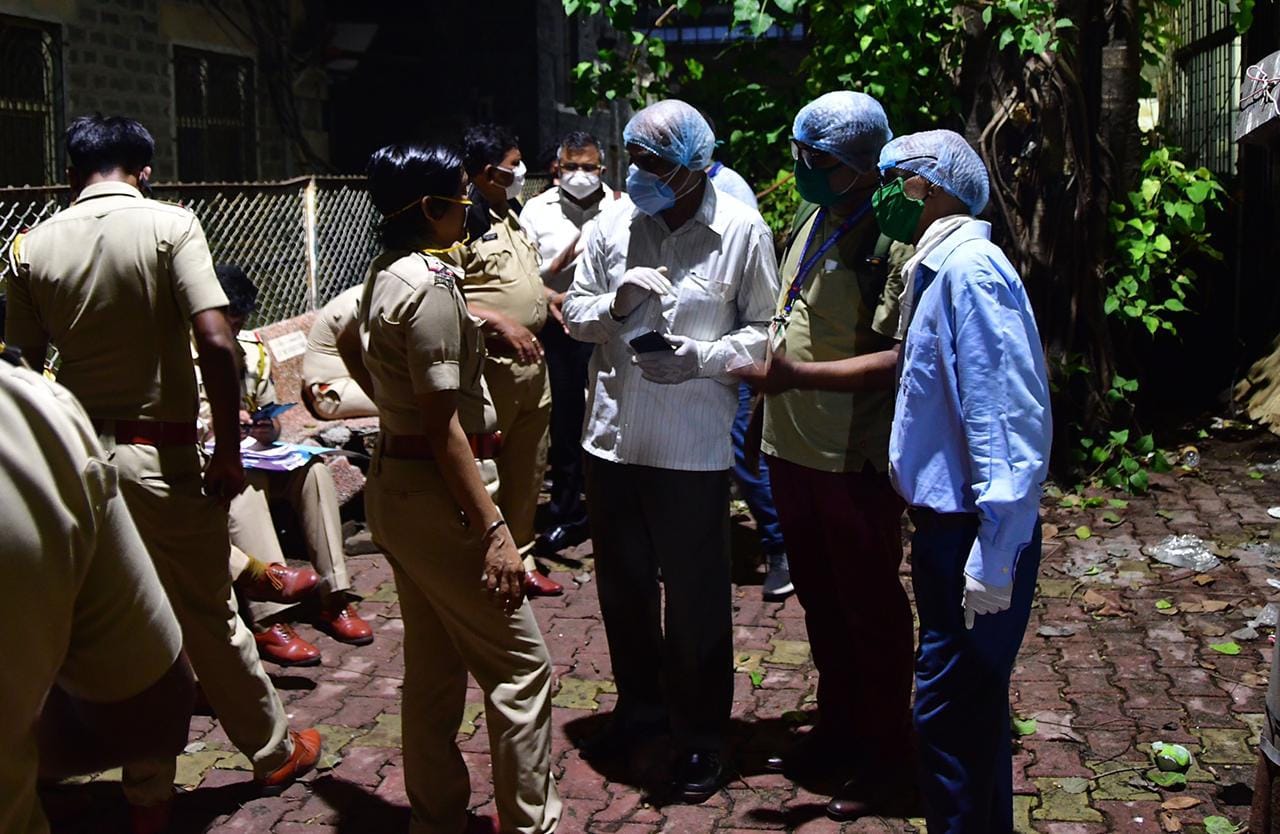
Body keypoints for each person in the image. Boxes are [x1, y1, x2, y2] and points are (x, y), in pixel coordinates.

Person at [5, 115, 320, 830]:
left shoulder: (29, 247)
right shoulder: (171, 227)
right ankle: (270, 752)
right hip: (160, 460)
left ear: (71, 172)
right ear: (144, 170)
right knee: (206, 615)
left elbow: (18, 366)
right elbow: (217, 339)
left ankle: (97, 780)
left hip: (74, 458)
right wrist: (229, 451)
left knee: (86, 623)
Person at [563, 99, 781, 802]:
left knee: (695, 600)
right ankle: (640, 711)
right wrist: (617, 303)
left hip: (691, 447)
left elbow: (765, 333)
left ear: (695, 164)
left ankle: (700, 736)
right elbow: (574, 315)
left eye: (654, 164)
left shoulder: (741, 230)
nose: (639, 176)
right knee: (623, 589)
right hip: (612, 439)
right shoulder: (612, 225)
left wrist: (700, 358)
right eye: (634, 161)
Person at [359, 143, 560, 834]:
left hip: (399, 486)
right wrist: (496, 531)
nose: (468, 205)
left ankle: (436, 815)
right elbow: (444, 426)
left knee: (435, 666)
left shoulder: (387, 273)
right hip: (443, 497)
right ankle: (530, 823)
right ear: (430, 207)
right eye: (459, 194)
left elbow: (365, 351)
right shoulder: (433, 285)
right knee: (522, 669)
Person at [735, 91, 912, 819]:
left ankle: (888, 756)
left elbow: (902, 359)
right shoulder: (815, 214)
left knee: (869, 607)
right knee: (820, 601)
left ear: (866, 164)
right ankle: (839, 728)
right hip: (792, 446)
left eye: (822, 160)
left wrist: (798, 379)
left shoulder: (894, 235)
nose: (805, 168)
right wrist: (765, 411)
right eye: (801, 154)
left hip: (850, 456)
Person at [877, 129, 1051, 833]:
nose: (884, 194)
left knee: (951, 715)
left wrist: (996, 549)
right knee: (963, 715)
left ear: (933, 186)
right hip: (946, 529)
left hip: (970, 533)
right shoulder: (937, 268)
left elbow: (1004, 418)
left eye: (894, 179)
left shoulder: (971, 272)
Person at [0, 353, 196, 834]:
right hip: (125, 456)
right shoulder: (26, 412)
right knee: (206, 608)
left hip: (112, 455)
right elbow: (153, 712)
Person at [197, 264, 374, 664]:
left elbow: (271, 414)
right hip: (213, 464)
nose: (234, 329)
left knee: (314, 473)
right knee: (244, 488)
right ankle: (270, 618)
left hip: (256, 453)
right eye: (228, 320)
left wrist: (267, 427)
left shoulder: (250, 351)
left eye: (240, 321)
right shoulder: (177, 354)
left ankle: (334, 596)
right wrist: (218, 424)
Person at [446, 124, 563, 597]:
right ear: (487, 172)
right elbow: (445, 293)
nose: (521, 172)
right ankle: (483, 556)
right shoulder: (461, 222)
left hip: (533, 363)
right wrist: (500, 321)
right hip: (490, 365)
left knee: (529, 465)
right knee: (487, 468)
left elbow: (516, 277)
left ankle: (523, 554)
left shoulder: (510, 214)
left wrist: (546, 299)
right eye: (513, 165)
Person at [518, 130, 623, 557]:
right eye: (571, 167)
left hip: (606, 326)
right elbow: (523, 274)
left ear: (602, 169)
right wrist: (550, 292)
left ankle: (613, 509)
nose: (580, 175)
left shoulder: (621, 207)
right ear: (557, 169)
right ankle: (566, 512)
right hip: (558, 329)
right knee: (565, 421)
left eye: (588, 167)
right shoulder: (535, 210)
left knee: (611, 414)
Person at [301, 284, 378, 420]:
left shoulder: (382, 292)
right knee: (409, 404)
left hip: (359, 379)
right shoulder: (360, 305)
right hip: (332, 392)